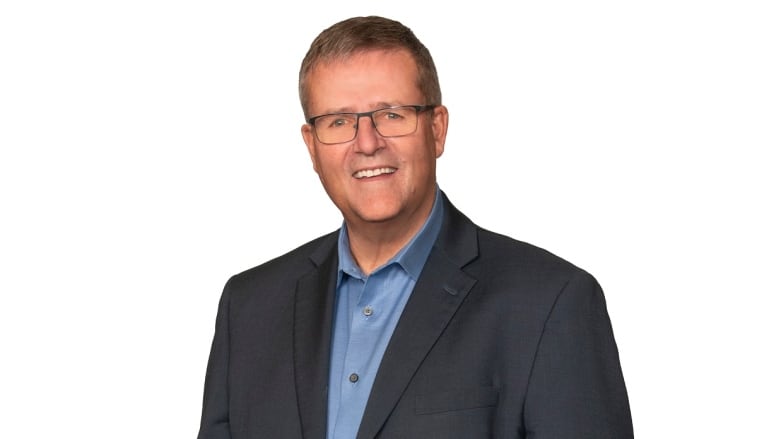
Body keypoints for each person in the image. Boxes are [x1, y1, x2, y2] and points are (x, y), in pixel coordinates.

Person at [197, 15, 633, 439]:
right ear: (312, 148)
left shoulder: (550, 303)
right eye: (338, 122)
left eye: (391, 115)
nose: (367, 143)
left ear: (437, 129)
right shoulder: (249, 308)